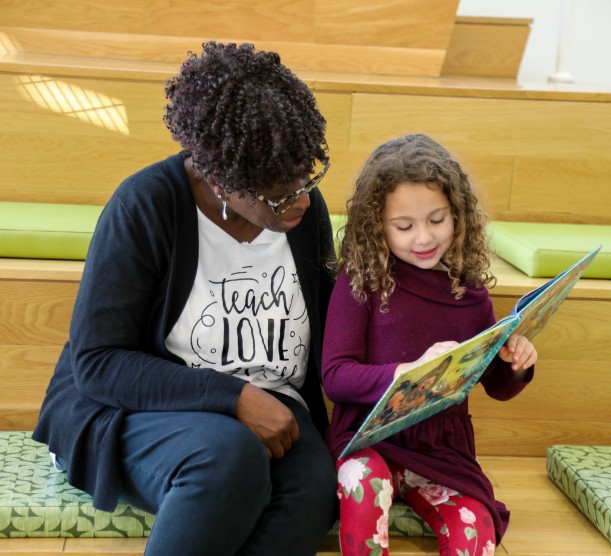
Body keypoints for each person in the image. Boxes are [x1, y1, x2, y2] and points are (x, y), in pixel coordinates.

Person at [32, 42, 338, 556]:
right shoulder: (145, 205)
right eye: (278, 194)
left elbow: (332, 331)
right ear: (221, 177)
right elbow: (98, 362)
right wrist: (234, 398)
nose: (301, 200)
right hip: (134, 412)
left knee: (314, 489)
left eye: (307, 179)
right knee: (229, 457)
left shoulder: (301, 213)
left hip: (277, 409)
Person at [322, 134, 538, 556]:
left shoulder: (470, 292)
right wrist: (406, 371)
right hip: (371, 439)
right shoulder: (360, 282)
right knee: (361, 486)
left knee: (475, 529)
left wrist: (516, 364)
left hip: (442, 450)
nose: (423, 237)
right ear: (377, 225)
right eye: (404, 227)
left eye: (437, 220)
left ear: (458, 215)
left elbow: (492, 383)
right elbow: (335, 376)